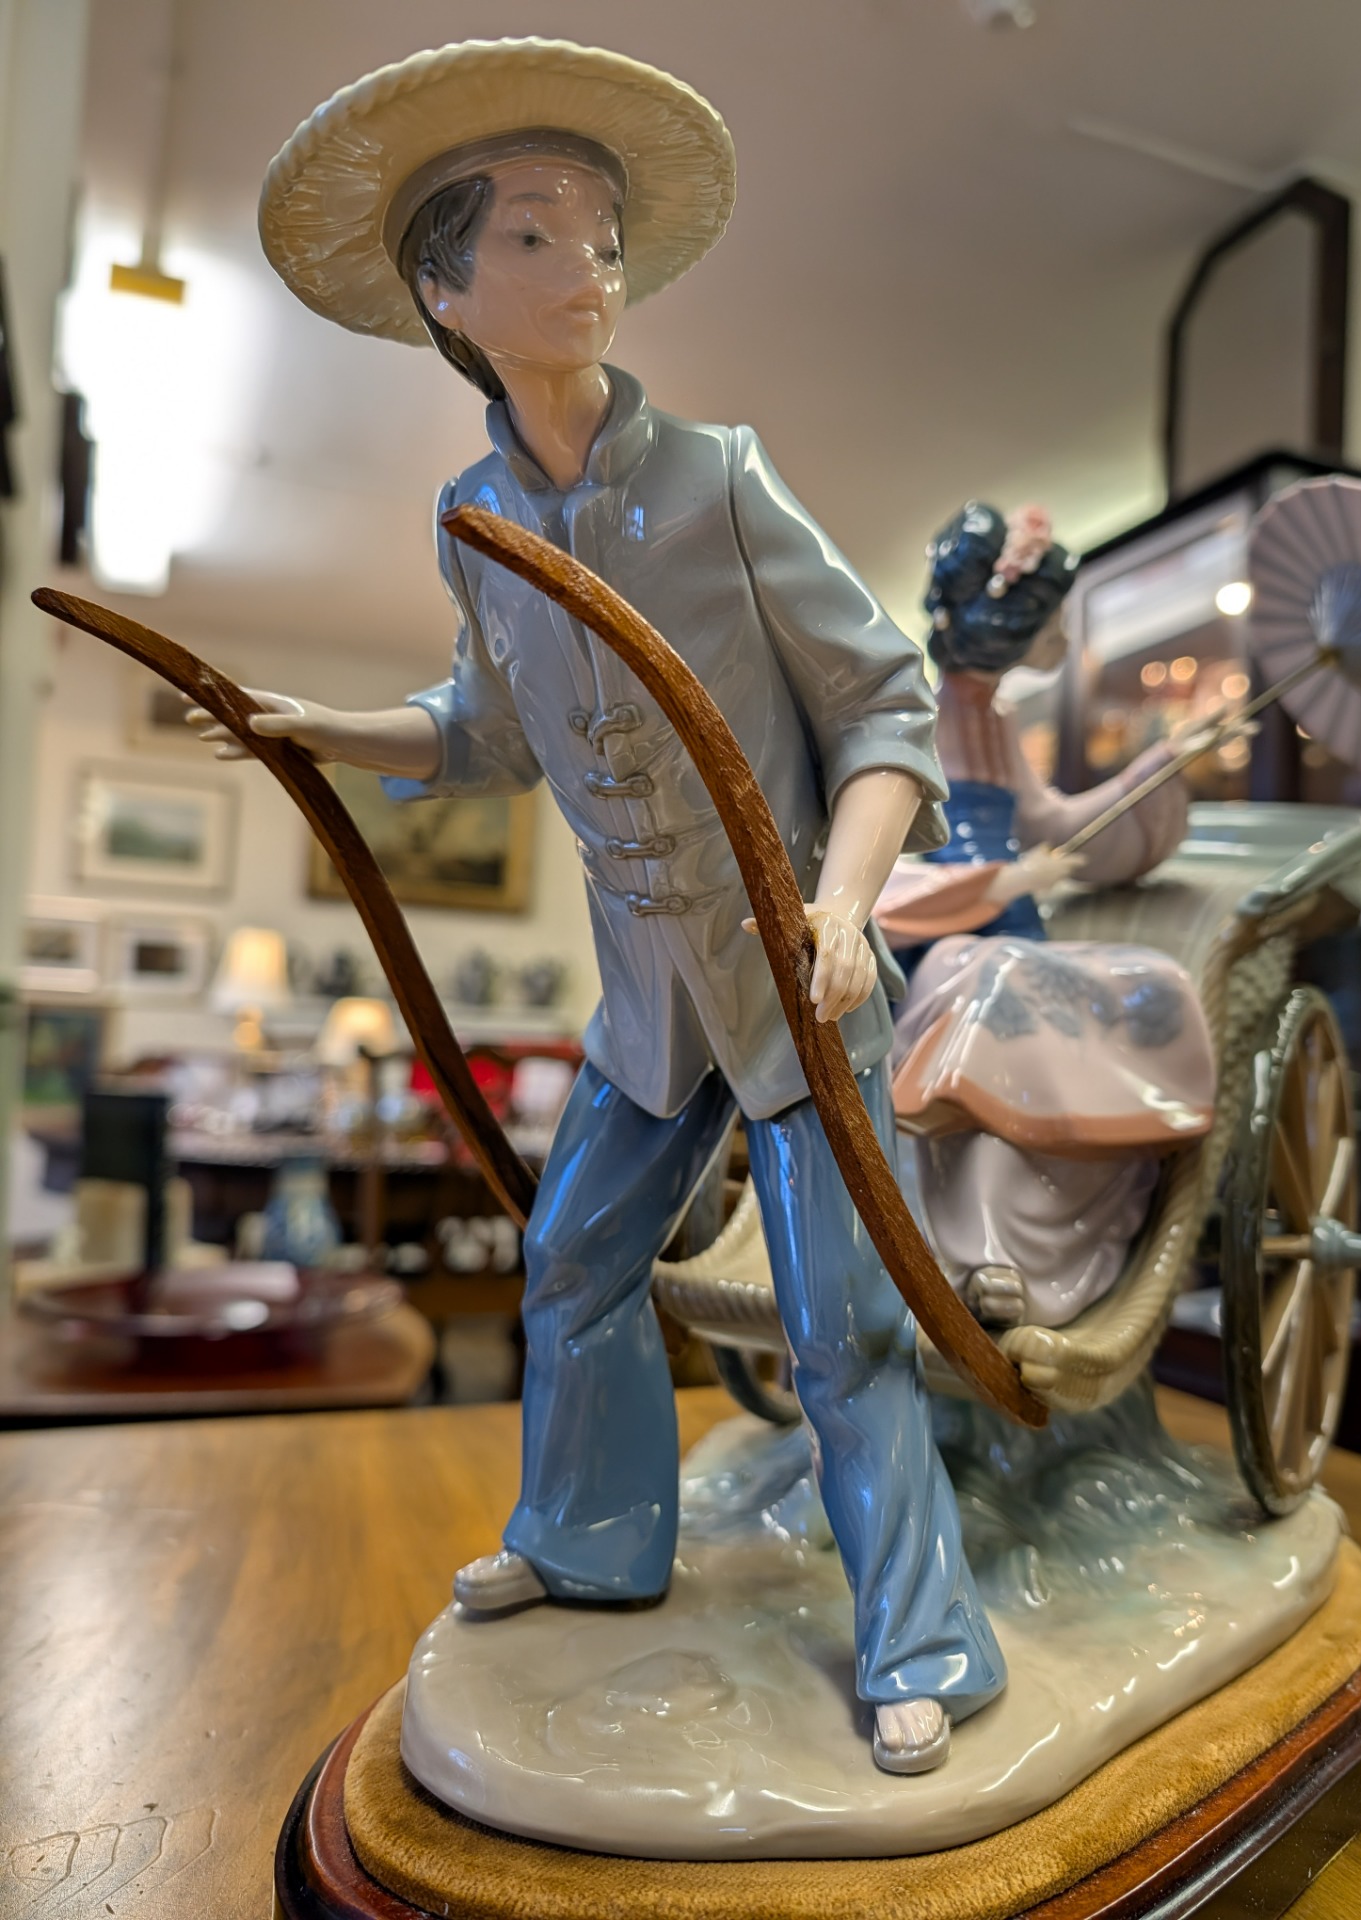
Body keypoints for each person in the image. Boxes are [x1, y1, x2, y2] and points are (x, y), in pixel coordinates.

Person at [195, 39, 1003, 1775]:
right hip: (646, 997)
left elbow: (885, 708)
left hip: (792, 981)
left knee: (841, 1319)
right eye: (538, 240)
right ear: (447, 291)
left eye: (606, 242)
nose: (591, 273)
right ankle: (589, 1540)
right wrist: (314, 727)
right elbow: (485, 728)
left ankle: (923, 1640)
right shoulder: (473, 520)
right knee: (569, 1260)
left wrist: (844, 908)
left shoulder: (722, 478)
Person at [875, 504, 1216, 1330]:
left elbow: (1054, 824)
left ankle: (1064, 1220)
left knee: (1137, 980)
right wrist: (1000, 882)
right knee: (989, 984)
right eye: (1052, 623)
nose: (1060, 637)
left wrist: (1157, 766)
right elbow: (874, 874)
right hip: (936, 942)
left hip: (1011, 929)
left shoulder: (994, 721)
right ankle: (976, 1246)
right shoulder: (903, 713)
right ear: (1009, 626)